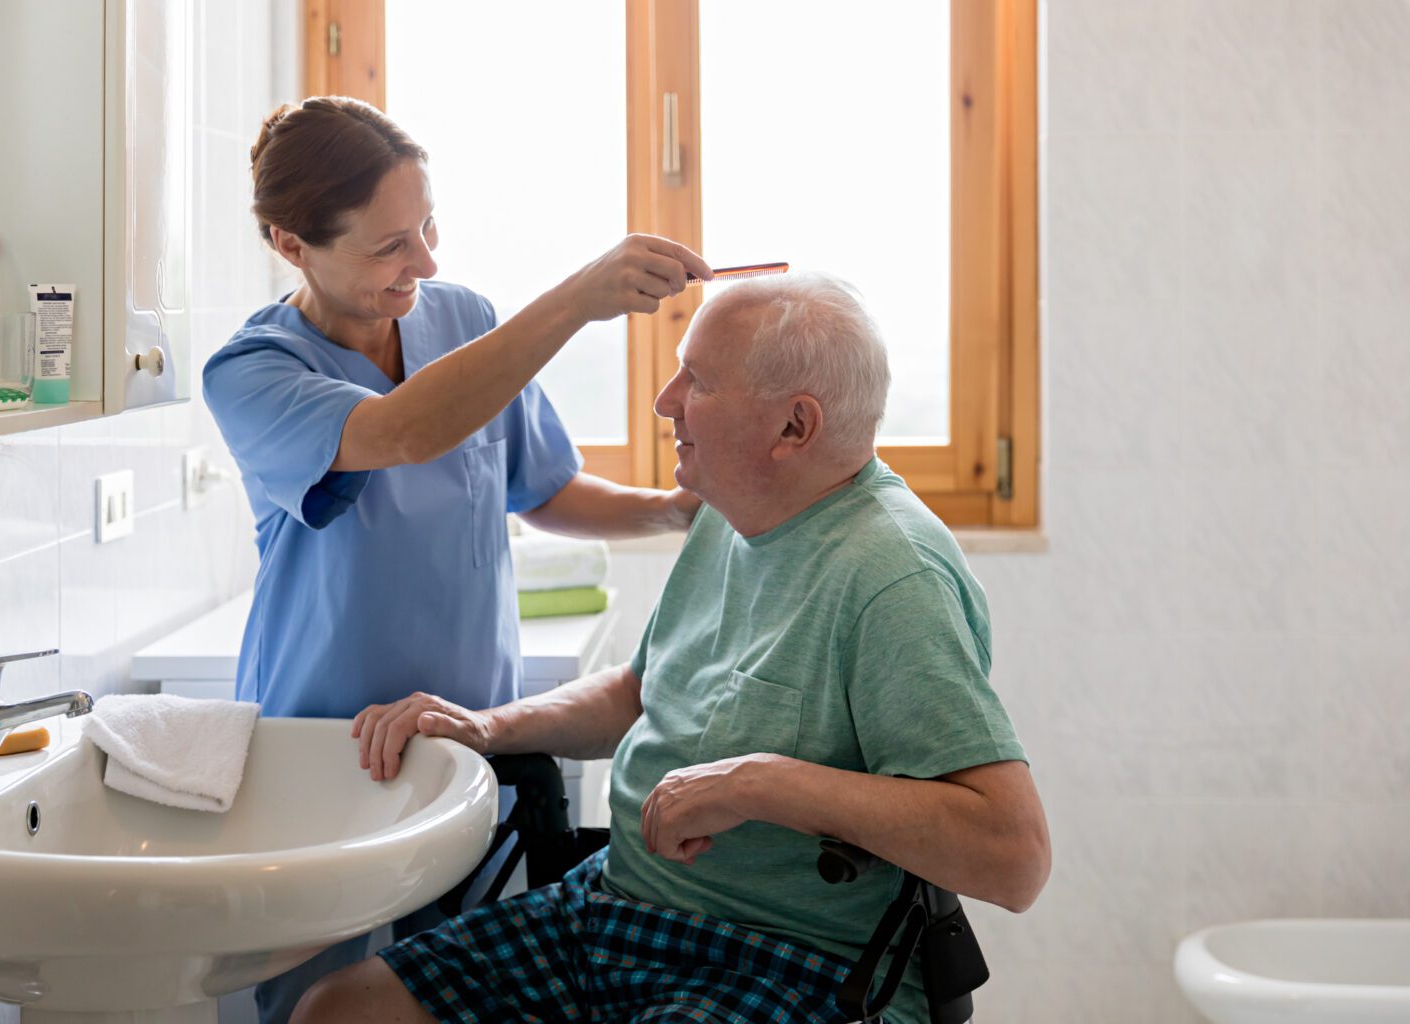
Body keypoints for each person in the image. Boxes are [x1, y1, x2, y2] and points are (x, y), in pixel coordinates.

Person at [294, 272, 1052, 1024]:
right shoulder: (734, 508)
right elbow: (638, 693)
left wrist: (760, 784)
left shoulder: (891, 575)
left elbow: (1014, 858)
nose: (665, 401)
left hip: (789, 959)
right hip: (617, 910)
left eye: (700, 381)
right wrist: (490, 725)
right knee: (335, 1011)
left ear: (795, 428)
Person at [201, 96, 712, 1024]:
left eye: (429, 226)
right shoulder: (252, 373)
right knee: (323, 1004)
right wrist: (575, 301)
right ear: (291, 244)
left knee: (461, 989)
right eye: (390, 245)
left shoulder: (464, 318)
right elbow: (399, 432)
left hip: (473, 736)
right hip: (330, 755)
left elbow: (540, 486)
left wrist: (675, 512)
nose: (425, 262)